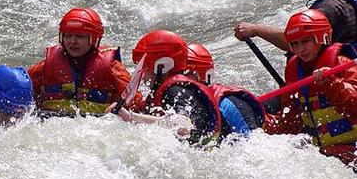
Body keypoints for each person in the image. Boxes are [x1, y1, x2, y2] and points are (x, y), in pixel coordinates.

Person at [262, 10, 357, 174]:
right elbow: (290, 122)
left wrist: (331, 84)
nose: (300, 49)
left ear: (322, 37)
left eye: (306, 41)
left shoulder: (344, 64)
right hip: (323, 158)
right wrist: (261, 121)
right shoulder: (295, 72)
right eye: (295, 44)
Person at [113, 31, 263, 145]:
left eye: (143, 66)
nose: (141, 74)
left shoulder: (176, 91)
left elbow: (183, 127)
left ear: (162, 65)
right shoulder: (169, 90)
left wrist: (130, 118)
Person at [28, 7, 143, 116]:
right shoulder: (44, 68)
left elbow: (135, 104)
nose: (73, 41)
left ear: (94, 39)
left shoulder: (113, 68)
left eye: (80, 36)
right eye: (68, 36)